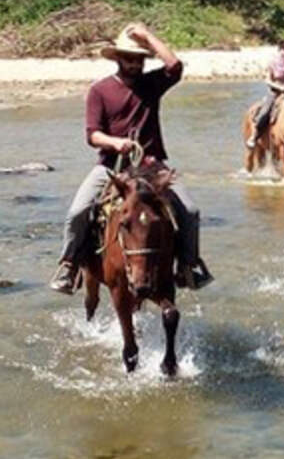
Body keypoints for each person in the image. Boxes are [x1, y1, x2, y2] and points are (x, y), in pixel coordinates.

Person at [49, 23, 213, 294]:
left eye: (138, 58)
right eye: (129, 58)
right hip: (112, 166)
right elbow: (92, 135)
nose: (134, 63)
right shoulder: (100, 90)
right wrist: (116, 142)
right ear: (118, 59)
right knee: (77, 211)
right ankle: (69, 265)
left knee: (190, 211)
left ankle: (189, 265)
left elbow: (175, 66)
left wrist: (149, 36)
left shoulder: (152, 84)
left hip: (152, 166)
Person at [246, 39, 284, 150]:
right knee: (265, 112)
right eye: (283, 49)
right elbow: (268, 81)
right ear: (279, 50)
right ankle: (254, 136)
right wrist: (281, 88)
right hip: (274, 93)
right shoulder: (273, 63)